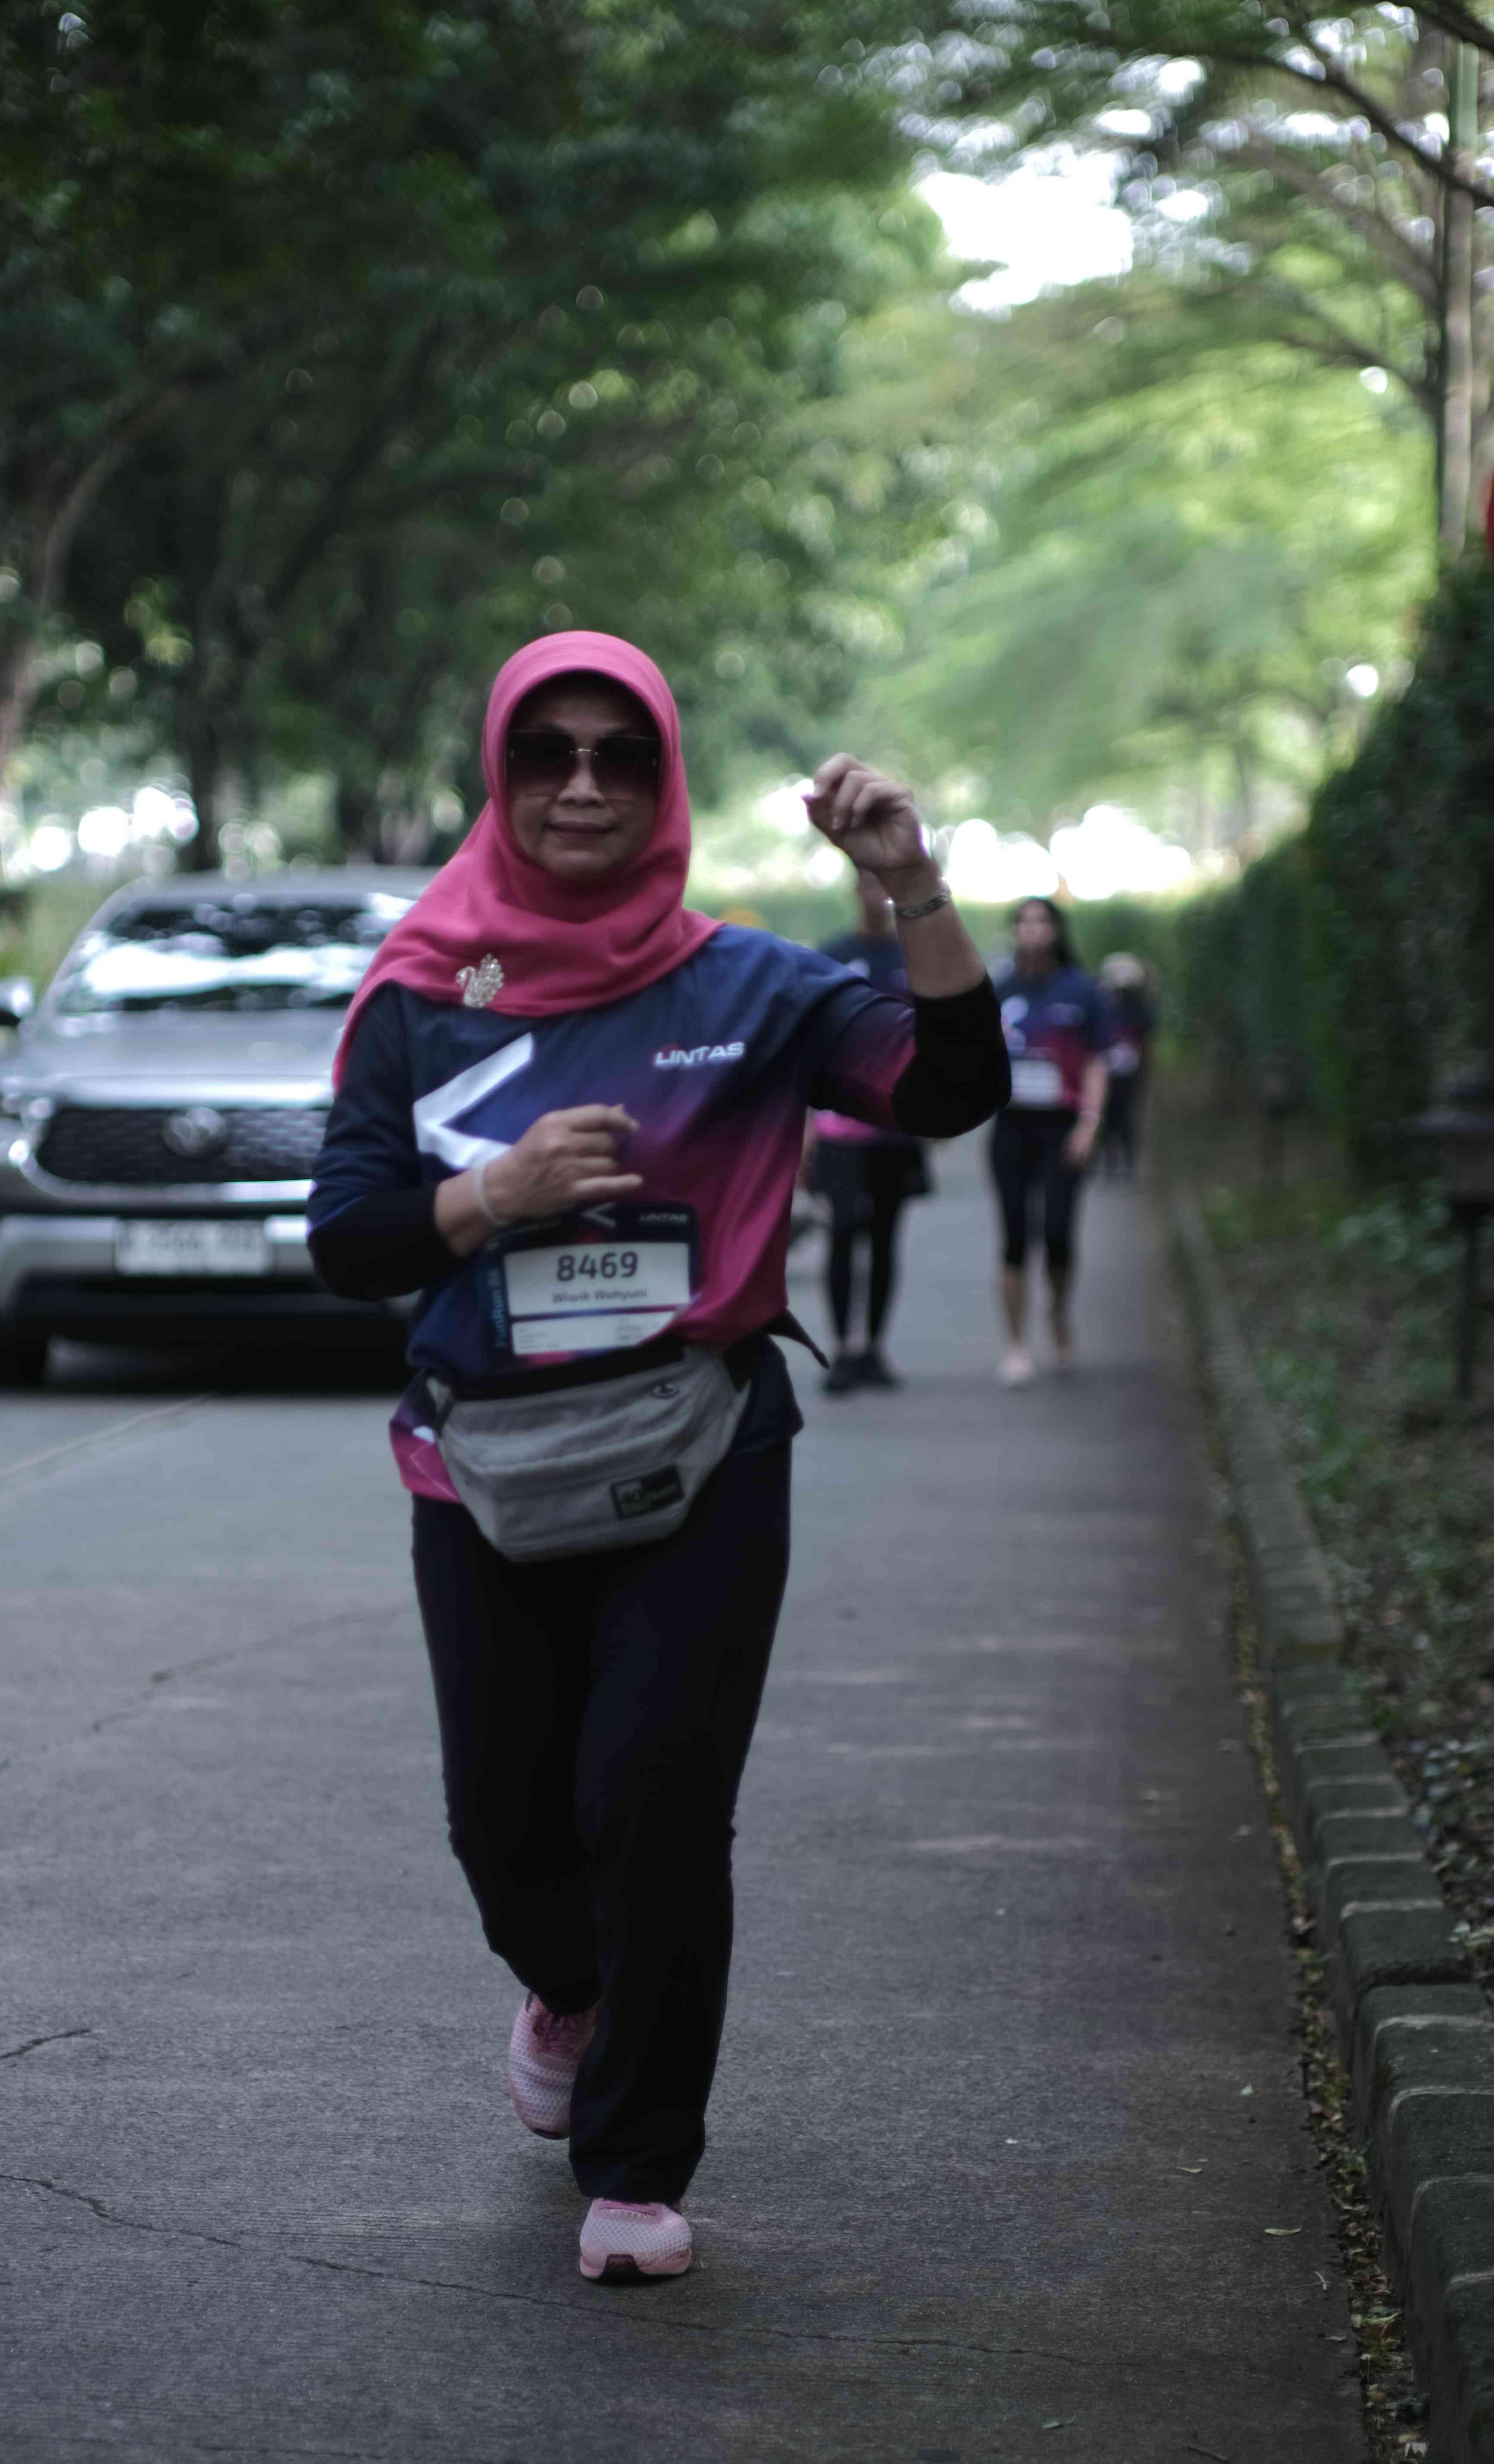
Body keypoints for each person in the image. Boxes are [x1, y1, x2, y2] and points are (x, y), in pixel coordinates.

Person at [308, 631, 1008, 2286]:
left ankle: (635, 2168)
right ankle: (567, 1989)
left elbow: (951, 1089)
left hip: (701, 1448)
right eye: (546, 753)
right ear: (499, 775)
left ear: (666, 779)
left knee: (659, 1802)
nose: (583, 785)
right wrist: (495, 1196)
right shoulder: (422, 991)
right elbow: (346, 1235)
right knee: (505, 1827)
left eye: (621, 755)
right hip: (482, 1465)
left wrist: (911, 885)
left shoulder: (747, 986)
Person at [805, 868, 933, 1392]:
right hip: (838, 1129)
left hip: (896, 1124)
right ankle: (842, 1349)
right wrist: (804, 1126)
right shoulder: (831, 955)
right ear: (856, 891)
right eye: (868, 885)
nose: (877, 895)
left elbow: (936, 1037)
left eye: (885, 885)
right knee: (841, 1232)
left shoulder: (914, 957)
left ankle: (874, 1350)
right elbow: (807, 1040)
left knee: (884, 1238)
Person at [988, 894, 1110, 1386]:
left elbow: (1097, 1060)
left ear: (1057, 930)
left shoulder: (1080, 990)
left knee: (1058, 1233)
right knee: (1015, 1236)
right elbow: (973, 1058)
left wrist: (1090, 1124)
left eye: (1041, 921)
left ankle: (1058, 1311)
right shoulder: (1000, 988)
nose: (1032, 929)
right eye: (1023, 922)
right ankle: (1016, 1344)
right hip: (1012, 1125)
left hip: (1062, 1127)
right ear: (1014, 931)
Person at [1096, 951, 1155, 1178]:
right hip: (1108, 1069)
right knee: (1110, 1116)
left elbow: (1145, 1040)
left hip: (1131, 1073)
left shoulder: (1139, 1007)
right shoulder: (1103, 1004)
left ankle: (1127, 1161)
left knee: (1126, 1116)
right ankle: (1111, 1161)